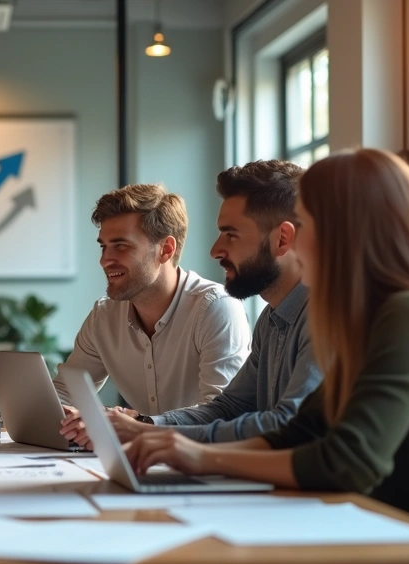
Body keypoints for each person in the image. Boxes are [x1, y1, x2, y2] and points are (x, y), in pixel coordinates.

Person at [123, 149, 409, 564]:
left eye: (304, 224)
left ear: (346, 232)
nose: (295, 244)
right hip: (403, 550)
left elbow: (349, 460)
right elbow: (298, 432)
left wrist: (199, 455)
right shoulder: (364, 322)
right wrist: (181, 452)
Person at [112, 160, 322, 444]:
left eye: (231, 235)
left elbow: (288, 424)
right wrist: (144, 424)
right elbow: (230, 409)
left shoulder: (325, 318)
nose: (215, 250)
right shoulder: (271, 319)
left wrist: (165, 439)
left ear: (282, 239)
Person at [54, 183, 250, 451]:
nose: (105, 260)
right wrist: (76, 421)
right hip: (147, 462)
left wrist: (137, 424)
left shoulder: (215, 308)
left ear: (166, 250)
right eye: (104, 247)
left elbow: (225, 413)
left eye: (121, 246)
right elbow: (64, 393)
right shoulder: (105, 315)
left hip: (205, 463)